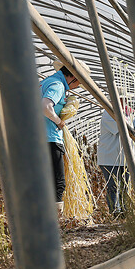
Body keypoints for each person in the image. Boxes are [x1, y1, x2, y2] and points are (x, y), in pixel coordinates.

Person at [40, 63, 81, 213]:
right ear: (73, 77)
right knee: (58, 182)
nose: (77, 86)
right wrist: (59, 122)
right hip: (49, 138)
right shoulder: (57, 85)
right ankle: (55, 222)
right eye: (79, 82)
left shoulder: (45, 82)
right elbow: (45, 106)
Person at [97, 103, 135, 215]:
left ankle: (125, 212)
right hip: (110, 157)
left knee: (124, 186)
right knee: (113, 186)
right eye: (120, 99)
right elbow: (123, 129)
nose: (123, 101)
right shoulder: (109, 113)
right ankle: (115, 213)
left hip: (125, 157)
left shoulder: (128, 113)